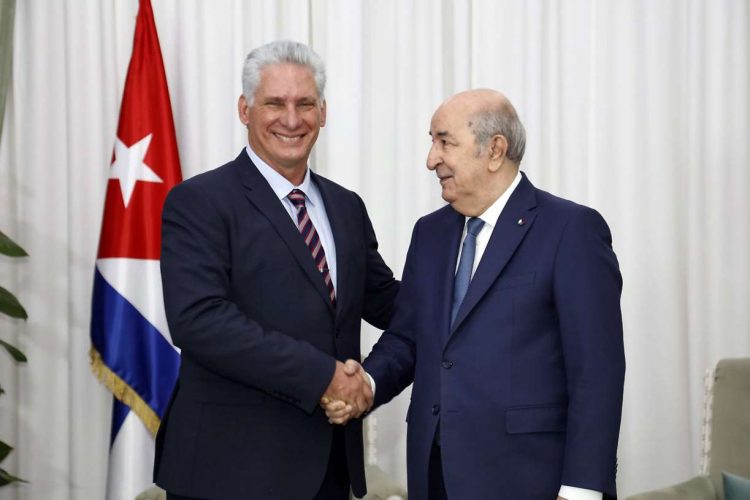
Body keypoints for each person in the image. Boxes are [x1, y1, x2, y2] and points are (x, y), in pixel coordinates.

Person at [325, 89, 625, 500]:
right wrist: (368, 384)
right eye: (432, 142)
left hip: (530, 478)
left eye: (444, 142)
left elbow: (597, 372)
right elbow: (408, 338)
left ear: (495, 150)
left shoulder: (570, 231)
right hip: (435, 476)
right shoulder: (429, 234)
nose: (431, 159)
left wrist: (581, 489)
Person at [153, 40, 398, 500]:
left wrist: (470, 294)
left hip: (328, 468)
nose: (291, 119)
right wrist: (324, 375)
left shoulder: (346, 207)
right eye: (274, 104)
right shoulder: (198, 203)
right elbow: (200, 321)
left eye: (305, 104)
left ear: (322, 113)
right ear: (245, 110)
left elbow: (386, 301)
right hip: (227, 471)